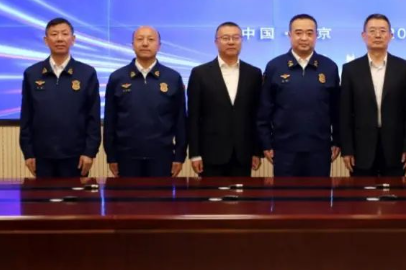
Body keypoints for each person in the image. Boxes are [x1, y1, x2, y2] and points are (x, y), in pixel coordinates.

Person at [257, 14, 340, 177]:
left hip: (320, 150)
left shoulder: (329, 67)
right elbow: (264, 111)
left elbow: (337, 111)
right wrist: (266, 144)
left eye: (309, 33)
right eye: (298, 33)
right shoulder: (275, 66)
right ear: (289, 35)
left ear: (316, 35)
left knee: (319, 193)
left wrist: (337, 141)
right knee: (285, 193)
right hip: (284, 150)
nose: (304, 38)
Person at [19, 17, 100, 178]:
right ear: (46, 40)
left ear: (73, 39)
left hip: (76, 156)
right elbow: (26, 116)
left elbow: (93, 117)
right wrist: (28, 153)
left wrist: (90, 152)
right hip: (42, 156)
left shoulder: (87, 73)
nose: (60, 39)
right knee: (42, 195)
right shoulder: (32, 74)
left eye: (64, 34)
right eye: (54, 34)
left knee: (75, 195)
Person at [340, 14, 406, 177]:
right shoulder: (350, 69)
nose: (377, 35)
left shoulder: (405, 68)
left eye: (382, 31)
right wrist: (347, 149)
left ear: (390, 35)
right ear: (363, 36)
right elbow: (344, 113)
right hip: (361, 149)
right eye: (372, 31)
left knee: (394, 193)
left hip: (396, 148)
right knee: (362, 192)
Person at [104, 26, 186, 177]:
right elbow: (110, 121)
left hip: (162, 157)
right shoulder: (117, 77)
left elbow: (180, 120)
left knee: (160, 193)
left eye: (151, 39)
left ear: (159, 46)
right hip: (126, 157)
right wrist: (111, 156)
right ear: (132, 45)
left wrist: (180, 155)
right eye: (140, 39)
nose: (145, 43)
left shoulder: (172, 78)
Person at [187, 22, 263, 177]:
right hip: (210, 153)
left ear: (241, 41)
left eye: (236, 37)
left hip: (243, 154)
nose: (231, 42)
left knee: (242, 193)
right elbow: (193, 117)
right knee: (211, 193)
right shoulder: (200, 73)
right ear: (216, 42)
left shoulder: (254, 73)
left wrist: (257, 151)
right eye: (225, 38)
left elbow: (257, 115)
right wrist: (195, 154)